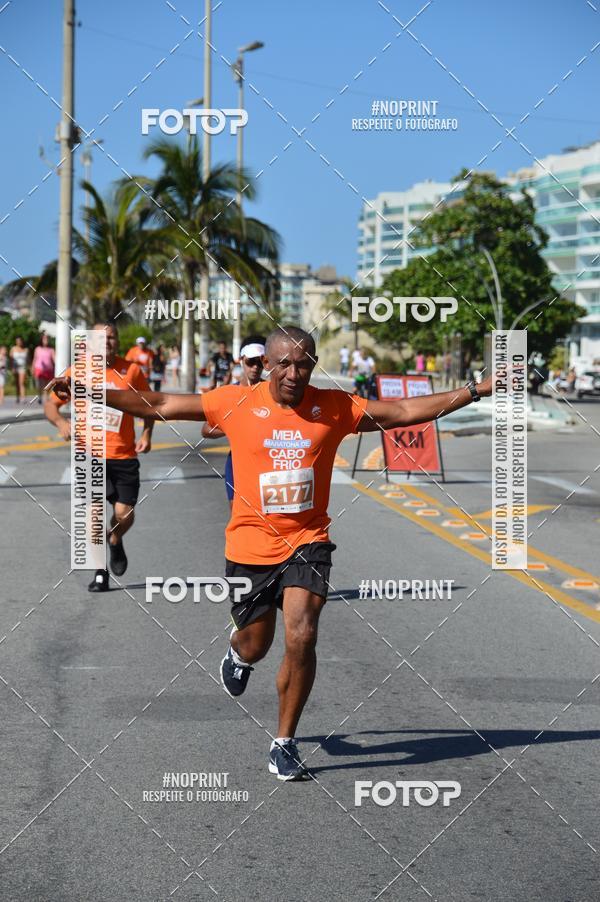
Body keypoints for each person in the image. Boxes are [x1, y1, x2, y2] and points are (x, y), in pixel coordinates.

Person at [50, 325, 492, 780]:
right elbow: (160, 404)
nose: (294, 373)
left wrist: (476, 389)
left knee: (302, 634)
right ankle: (238, 655)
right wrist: (87, 393)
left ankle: (285, 741)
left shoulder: (333, 406)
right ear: (268, 365)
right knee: (255, 644)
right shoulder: (235, 401)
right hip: (249, 547)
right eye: (285, 363)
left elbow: (401, 410)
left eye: (304, 364)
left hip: (308, 540)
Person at [45, 323, 154, 592]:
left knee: (123, 513)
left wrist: (147, 434)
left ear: (117, 341)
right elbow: (51, 403)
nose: (106, 342)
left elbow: (150, 404)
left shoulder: (132, 370)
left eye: (112, 337)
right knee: (93, 516)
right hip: (89, 456)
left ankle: (115, 538)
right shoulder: (76, 372)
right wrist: (60, 423)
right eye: (100, 338)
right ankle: (100, 572)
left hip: (124, 455)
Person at [201, 337, 265, 509]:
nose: (256, 367)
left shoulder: (273, 393)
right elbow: (206, 430)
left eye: (261, 362)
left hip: (267, 462)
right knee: (237, 512)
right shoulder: (228, 394)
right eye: (251, 362)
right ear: (241, 360)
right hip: (237, 462)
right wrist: (233, 426)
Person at [32, 333, 55, 404]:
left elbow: (54, 359)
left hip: (49, 369)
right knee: (39, 384)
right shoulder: (37, 349)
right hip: (39, 369)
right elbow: (35, 359)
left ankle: (45, 398)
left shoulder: (51, 350)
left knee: (47, 385)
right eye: (44, 339)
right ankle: (39, 396)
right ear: (41, 340)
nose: (46, 340)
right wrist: (32, 368)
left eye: (47, 339)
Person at [9, 336, 28, 403]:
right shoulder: (13, 349)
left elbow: (29, 360)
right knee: (17, 383)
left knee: (21, 382)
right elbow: (11, 359)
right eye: (17, 341)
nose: (19, 342)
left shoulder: (26, 349)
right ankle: (17, 397)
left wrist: (29, 368)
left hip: (23, 367)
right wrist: (11, 368)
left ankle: (23, 397)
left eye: (20, 341)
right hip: (15, 367)